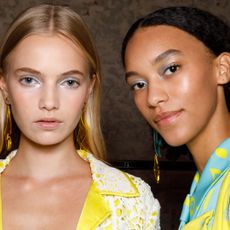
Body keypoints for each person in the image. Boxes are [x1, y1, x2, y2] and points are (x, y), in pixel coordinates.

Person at [0, 4, 160, 229]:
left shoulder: (134, 202)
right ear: (4, 86)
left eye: (69, 82)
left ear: (88, 89)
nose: (49, 103)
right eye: (29, 80)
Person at [121, 6, 230, 230]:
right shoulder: (205, 187)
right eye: (139, 84)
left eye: (171, 69)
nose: (153, 98)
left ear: (222, 68)